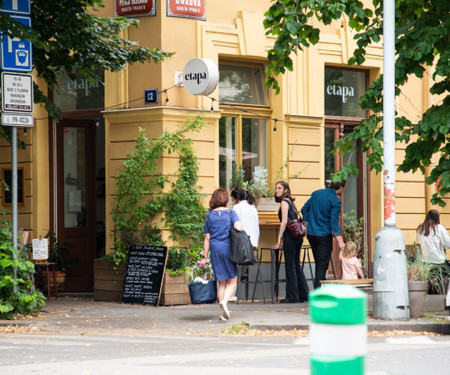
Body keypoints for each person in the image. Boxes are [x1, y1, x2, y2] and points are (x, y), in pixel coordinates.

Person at [199, 188, 242, 320]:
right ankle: (224, 302)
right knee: (233, 281)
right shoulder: (231, 213)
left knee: (221, 282)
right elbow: (238, 227)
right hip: (229, 248)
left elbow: (207, 238)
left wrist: (204, 258)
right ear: (225, 199)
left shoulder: (210, 216)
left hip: (215, 250)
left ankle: (223, 312)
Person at [301, 180, 346, 289]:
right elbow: (334, 223)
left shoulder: (317, 193)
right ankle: (318, 293)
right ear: (340, 187)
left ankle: (320, 289)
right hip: (324, 236)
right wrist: (340, 241)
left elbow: (304, 209)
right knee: (322, 265)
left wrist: (307, 225)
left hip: (311, 234)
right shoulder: (336, 201)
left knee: (319, 262)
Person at [273, 181, 309, 303]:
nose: (276, 190)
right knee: (296, 265)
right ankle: (303, 294)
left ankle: (292, 296)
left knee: (290, 266)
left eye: (279, 188)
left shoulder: (284, 202)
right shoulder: (291, 202)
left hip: (290, 235)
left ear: (286, 190)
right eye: (276, 188)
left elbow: (284, 222)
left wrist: (279, 239)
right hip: (297, 236)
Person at [231, 188, 260, 291]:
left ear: (234, 198)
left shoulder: (237, 207)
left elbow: (235, 226)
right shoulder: (252, 207)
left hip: (242, 245)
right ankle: (243, 272)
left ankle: (231, 289)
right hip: (253, 244)